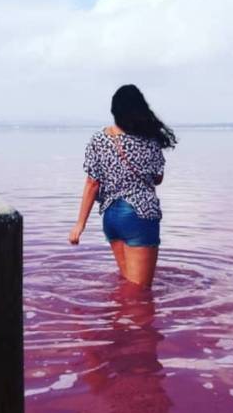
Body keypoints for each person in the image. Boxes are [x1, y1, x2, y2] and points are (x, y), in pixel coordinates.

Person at [68, 84, 176, 286]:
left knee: (128, 283)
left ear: (114, 111)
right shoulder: (149, 140)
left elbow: (92, 183)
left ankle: (116, 318)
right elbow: (157, 179)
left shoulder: (99, 139)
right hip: (140, 215)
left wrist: (80, 224)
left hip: (111, 217)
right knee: (140, 292)